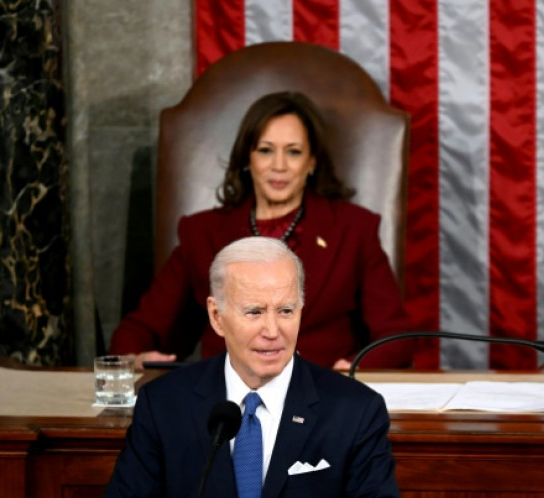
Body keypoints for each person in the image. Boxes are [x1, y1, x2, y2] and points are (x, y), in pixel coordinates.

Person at [92, 237, 407, 498]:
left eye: (285, 311)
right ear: (217, 316)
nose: (272, 330)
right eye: (254, 312)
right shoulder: (163, 404)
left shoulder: (355, 410)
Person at [109, 91, 410, 371]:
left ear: (312, 162)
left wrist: (353, 368)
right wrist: (134, 359)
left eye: (293, 152)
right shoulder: (202, 233)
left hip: (322, 401)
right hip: (227, 404)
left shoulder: (353, 229)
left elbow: (397, 338)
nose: (278, 166)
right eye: (265, 150)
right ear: (247, 159)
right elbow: (138, 330)